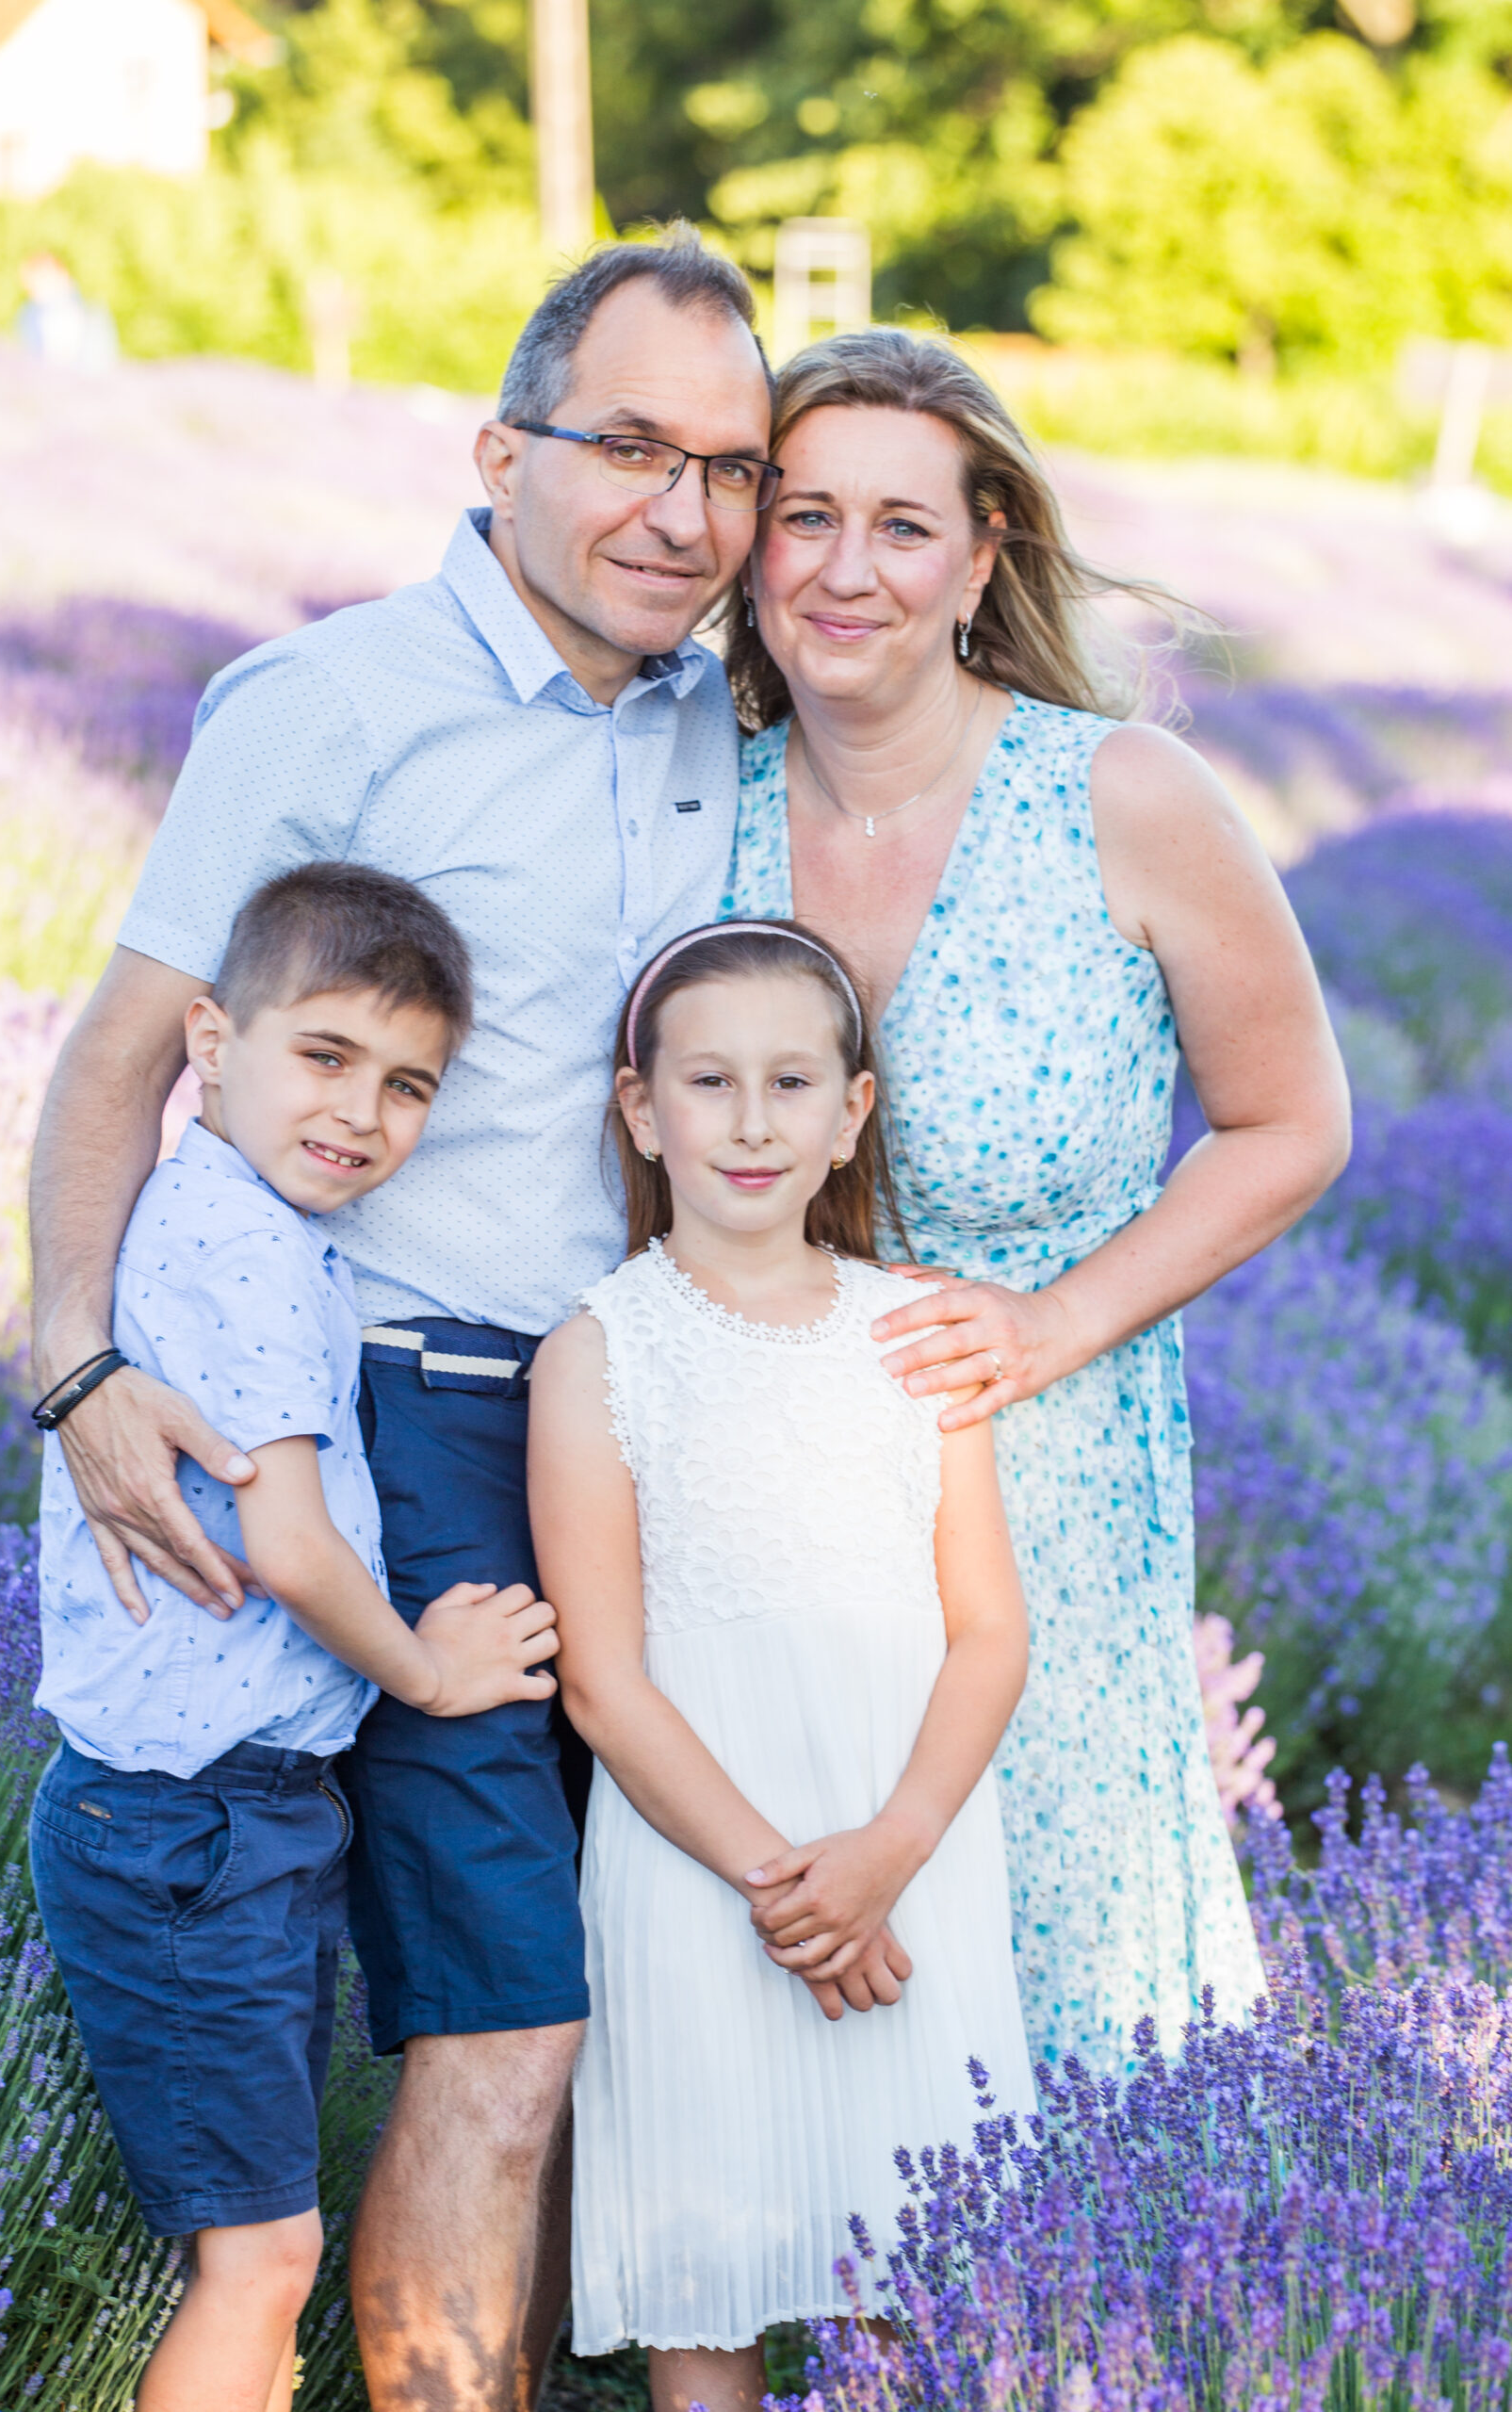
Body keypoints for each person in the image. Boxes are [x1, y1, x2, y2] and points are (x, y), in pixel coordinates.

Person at [25, 226, 777, 2412]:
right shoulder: (334, 704)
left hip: (653, 1420)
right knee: (501, 2016)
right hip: (412, 1413)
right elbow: (126, 1047)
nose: (682, 511)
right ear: (499, 451)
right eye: (628, 446)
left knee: (645, 2000)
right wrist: (76, 1360)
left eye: (728, 468)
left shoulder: (718, 719)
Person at [723, 329, 1352, 2077]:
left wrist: (1056, 1322)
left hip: (1050, 1496)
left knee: (1064, 2018)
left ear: (984, 554)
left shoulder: (1120, 795)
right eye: (804, 515)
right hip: (748, 1508)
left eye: (903, 527)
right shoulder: (688, 796)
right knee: (778, 2015)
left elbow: (1292, 1122)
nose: (845, 569)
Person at [30, 865, 561, 2412]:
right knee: (259, 2259)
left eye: (407, 1085)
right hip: (190, 1825)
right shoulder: (242, 1246)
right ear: (210, 1040)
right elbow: (292, 1547)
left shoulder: (245, 1219)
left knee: (263, 2247)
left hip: (226, 1818)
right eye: (325, 1056)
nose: (361, 1112)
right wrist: (429, 1669)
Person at [528, 921, 1037, 2412]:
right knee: (714, 2269)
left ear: (851, 1113)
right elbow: (604, 1682)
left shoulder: (915, 1336)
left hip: (909, 1854)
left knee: (914, 2282)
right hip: (705, 1863)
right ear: (642, 1111)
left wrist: (886, 1854)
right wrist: (787, 1889)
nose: (752, 1122)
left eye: (792, 1082)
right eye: (710, 1081)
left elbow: (990, 1633)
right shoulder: (599, 1352)